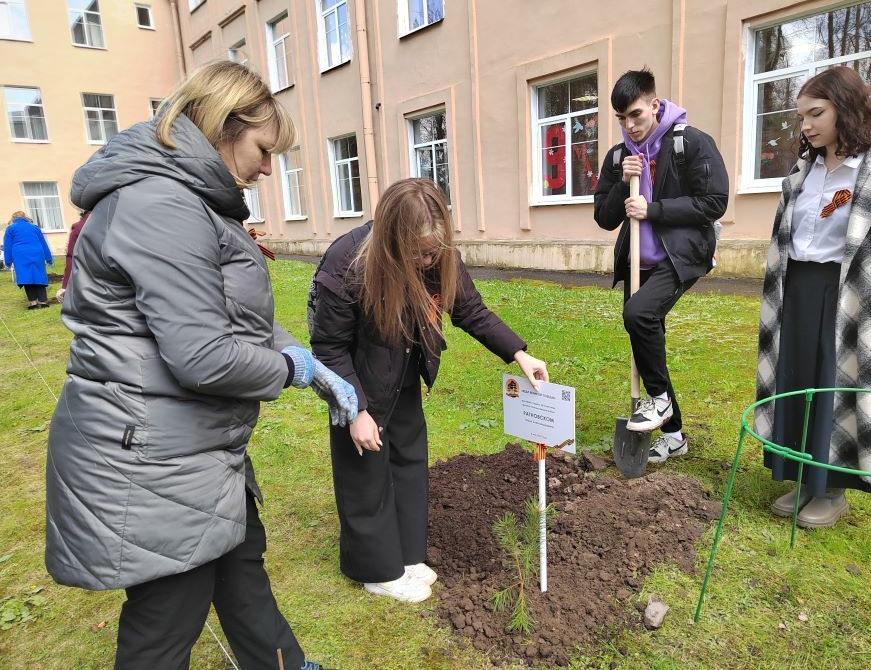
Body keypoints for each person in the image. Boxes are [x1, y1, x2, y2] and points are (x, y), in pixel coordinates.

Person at [44, 61, 357, 669]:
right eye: (265, 150)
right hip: (151, 459)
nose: (270, 168)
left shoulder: (196, 202)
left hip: (194, 449)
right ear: (223, 125)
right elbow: (204, 357)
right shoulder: (163, 204)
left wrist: (311, 364)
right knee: (165, 626)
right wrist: (288, 371)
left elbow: (235, 317)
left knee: (242, 568)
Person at [309, 178, 549, 603]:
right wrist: (355, 409)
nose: (425, 260)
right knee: (364, 467)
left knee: (408, 457)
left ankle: (405, 554)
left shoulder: (438, 254)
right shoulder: (347, 263)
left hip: (400, 369)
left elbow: (470, 309)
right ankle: (375, 569)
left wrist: (518, 354)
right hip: (357, 378)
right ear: (391, 240)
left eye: (432, 251)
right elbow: (328, 348)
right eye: (417, 252)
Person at [755, 66, 871, 529]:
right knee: (796, 377)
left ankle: (833, 488)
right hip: (796, 289)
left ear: (847, 106)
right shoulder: (804, 170)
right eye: (801, 117)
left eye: (816, 113)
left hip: (855, 294)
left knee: (840, 380)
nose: (806, 126)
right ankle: (802, 475)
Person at [594, 68, 729, 464]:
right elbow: (604, 217)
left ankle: (658, 401)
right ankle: (673, 434)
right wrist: (622, 184)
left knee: (638, 313)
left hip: (681, 255)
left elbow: (713, 202)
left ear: (654, 105)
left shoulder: (690, 143)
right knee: (645, 337)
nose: (630, 125)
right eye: (621, 119)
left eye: (636, 114)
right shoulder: (619, 156)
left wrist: (651, 209)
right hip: (640, 260)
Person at [3, 210, 54, 309]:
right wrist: (48, 258)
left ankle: (33, 303)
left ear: (13, 219)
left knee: (26, 277)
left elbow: (7, 246)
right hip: (37, 253)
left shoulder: (10, 228)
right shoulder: (34, 228)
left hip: (20, 255)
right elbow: (43, 243)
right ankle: (43, 302)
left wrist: (8, 261)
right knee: (39, 275)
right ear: (25, 217)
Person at [56, 209, 89, 302]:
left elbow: (71, 256)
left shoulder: (79, 227)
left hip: (89, 280)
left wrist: (65, 286)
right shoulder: (120, 221)